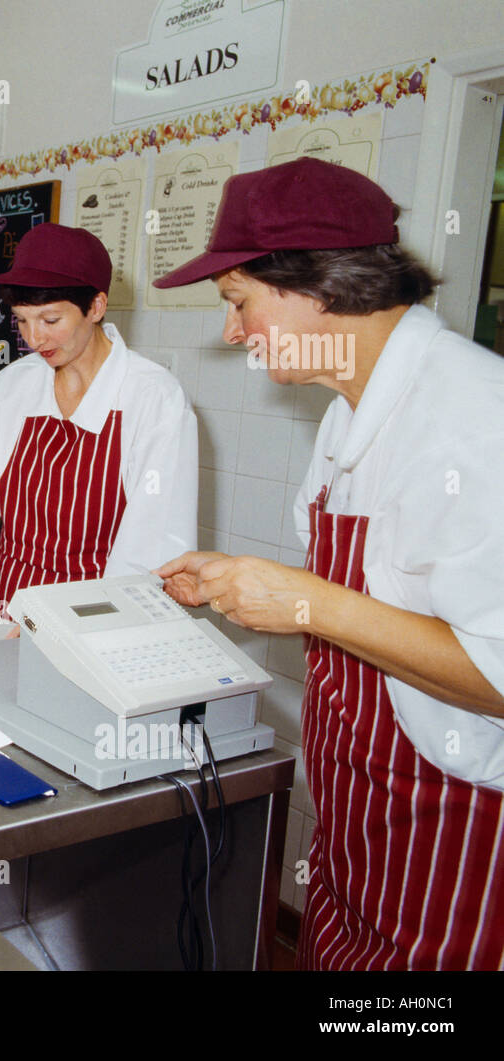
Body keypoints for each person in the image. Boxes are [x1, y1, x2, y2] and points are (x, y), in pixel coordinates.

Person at [152, 157, 504, 970]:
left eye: (240, 303)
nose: (235, 332)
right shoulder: (348, 417)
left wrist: (307, 601)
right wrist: (249, 585)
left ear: (315, 286)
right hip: (359, 839)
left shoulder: (474, 416)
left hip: (453, 849)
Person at [0, 224, 197, 617]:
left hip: (96, 616)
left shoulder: (153, 397)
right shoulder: (14, 386)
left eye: (50, 320)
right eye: (22, 321)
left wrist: (70, 630)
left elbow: (151, 548)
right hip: (7, 606)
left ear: (96, 306)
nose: (34, 338)